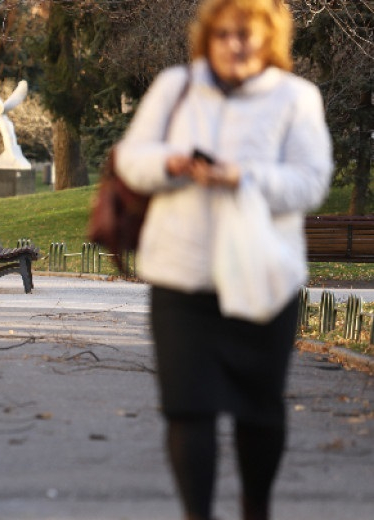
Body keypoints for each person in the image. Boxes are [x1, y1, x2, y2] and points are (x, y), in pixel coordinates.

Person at [114, 1, 333, 519]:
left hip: (263, 278)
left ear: (270, 39)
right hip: (182, 278)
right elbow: (130, 158)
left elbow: (311, 181)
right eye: (225, 33)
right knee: (187, 408)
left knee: (258, 412)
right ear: (208, 38)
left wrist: (244, 178)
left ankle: (255, 507)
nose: (236, 44)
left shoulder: (295, 99)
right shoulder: (176, 86)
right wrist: (170, 163)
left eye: (249, 34)